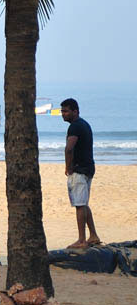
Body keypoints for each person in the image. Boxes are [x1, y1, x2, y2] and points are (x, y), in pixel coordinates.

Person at [61, 98, 100, 249]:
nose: (63, 114)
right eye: (62, 111)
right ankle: (93, 235)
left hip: (79, 169)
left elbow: (69, 148)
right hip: (88, 168)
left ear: (75, 111)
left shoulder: (75, 127)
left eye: (66, 111)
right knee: (83, 203)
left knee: (79, 204)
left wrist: (68, 167)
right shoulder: (83, 124)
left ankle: (82, 240)